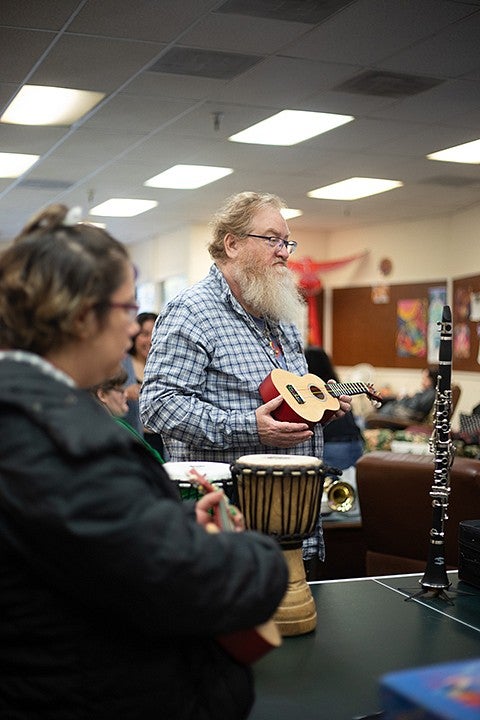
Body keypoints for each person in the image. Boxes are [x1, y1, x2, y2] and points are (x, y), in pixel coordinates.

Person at [0, 203, 288, 720]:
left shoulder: (31, 411)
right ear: (83, 316)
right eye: (128, 309)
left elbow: (92, 543)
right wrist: (257, 556)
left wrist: (169, 521)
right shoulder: (54, 438)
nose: (136, 330)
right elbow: (185, 578)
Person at [140, 191, 353, 560]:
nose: (285, 251)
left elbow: (289, 400)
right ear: (232, 244)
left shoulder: (280, 315)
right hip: (226, 530)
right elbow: (158, 407)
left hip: (292, 527)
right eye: (272, 239)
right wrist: (250, 427)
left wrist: (319, 410)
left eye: (287, 242)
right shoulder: (191, 311)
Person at [304, 346, 364, 471]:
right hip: (356, 442)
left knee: (330, 486)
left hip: (334, 444)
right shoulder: (334, 386)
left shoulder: (312, 391)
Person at [90, 368, 164, 463]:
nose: (125, 395)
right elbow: (153, 458)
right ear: (102, 395)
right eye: (121, 390)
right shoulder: (115, 426)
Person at [126, 311, 166, 456]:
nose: (150, 340)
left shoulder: (165, 365)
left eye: (155, 333)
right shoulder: (121, 364)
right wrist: (125, 394)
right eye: (144, 334)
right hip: (132, 441)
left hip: (162, 442)